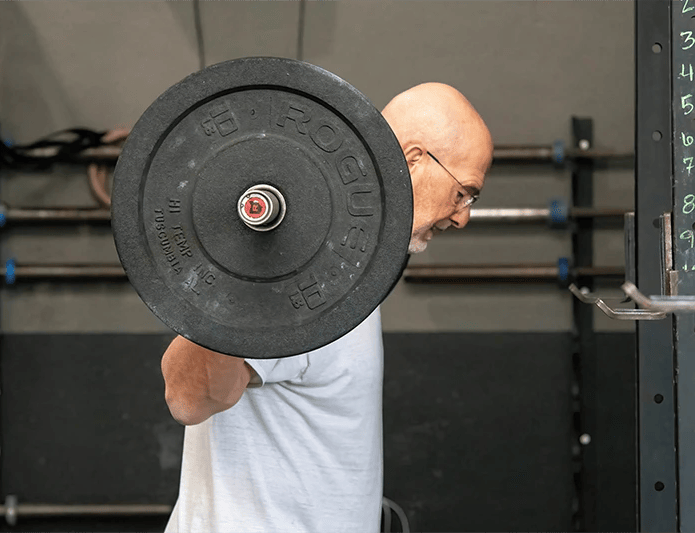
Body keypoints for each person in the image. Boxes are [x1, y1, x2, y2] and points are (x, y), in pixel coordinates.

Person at [162, 82, 493, 533]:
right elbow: (187, 397)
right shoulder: (307, 265)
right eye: (463, 192)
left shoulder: (348, 264)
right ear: (414, 160)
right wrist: (248, 260)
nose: (463, 216)